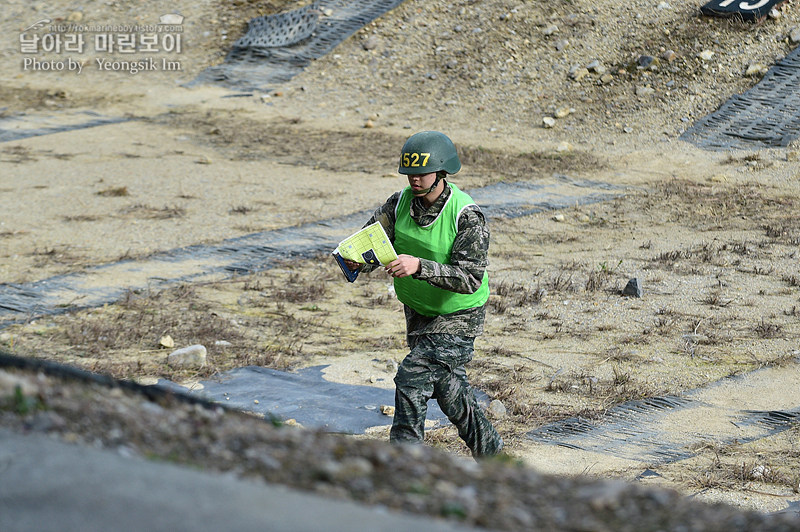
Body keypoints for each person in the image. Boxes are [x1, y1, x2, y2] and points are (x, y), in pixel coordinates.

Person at [343, 131, 503, 458]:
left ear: (442, 172)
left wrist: (420, 267)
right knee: (451, 394)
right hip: (418, 313)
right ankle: (495, 458)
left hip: (458, 316)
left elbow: (471, 278)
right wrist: (354, 259)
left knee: (411, 378)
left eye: (422, 173)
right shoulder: (398, 203)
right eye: (409, 174)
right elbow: (373, 240)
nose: (414, 180)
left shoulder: (467, 216)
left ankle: (406, 466)